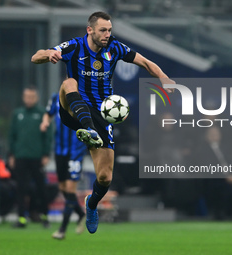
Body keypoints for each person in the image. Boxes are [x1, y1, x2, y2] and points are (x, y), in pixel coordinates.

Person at [31, 11, 174, 234]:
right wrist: (49, 54)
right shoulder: (74, 47)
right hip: (73, 108)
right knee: (69, 82)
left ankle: (91, 204)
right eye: (103, 30)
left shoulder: (114, 48)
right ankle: (88, 129)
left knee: (105, 177)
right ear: (90, 30)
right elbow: (36, 56)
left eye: (109, 30)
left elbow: (145, 62)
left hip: (102, 115)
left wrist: (163, 78)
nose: (107, 34)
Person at [40, 93, 87, 240]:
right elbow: (48, 114)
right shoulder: (55, 98)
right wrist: (45, 122)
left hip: (76, 151)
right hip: (60, 151)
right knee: (63, 189)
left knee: (70, 188)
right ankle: (81, 214)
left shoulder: (85, 98)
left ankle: (62, 229)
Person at [8, 86, 52, 228]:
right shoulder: (18, 114)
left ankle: (44, 216)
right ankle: (21, 218)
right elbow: (12, 135)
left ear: (36, 98)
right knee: (21, 188)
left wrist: (46, 154)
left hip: (37, 157)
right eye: (27, 96)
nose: (29, 99)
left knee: (41, 188)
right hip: (20, 156)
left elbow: (48, 136)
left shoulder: (42, 114)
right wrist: (12, 154)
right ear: (23, 97)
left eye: (32, 97)